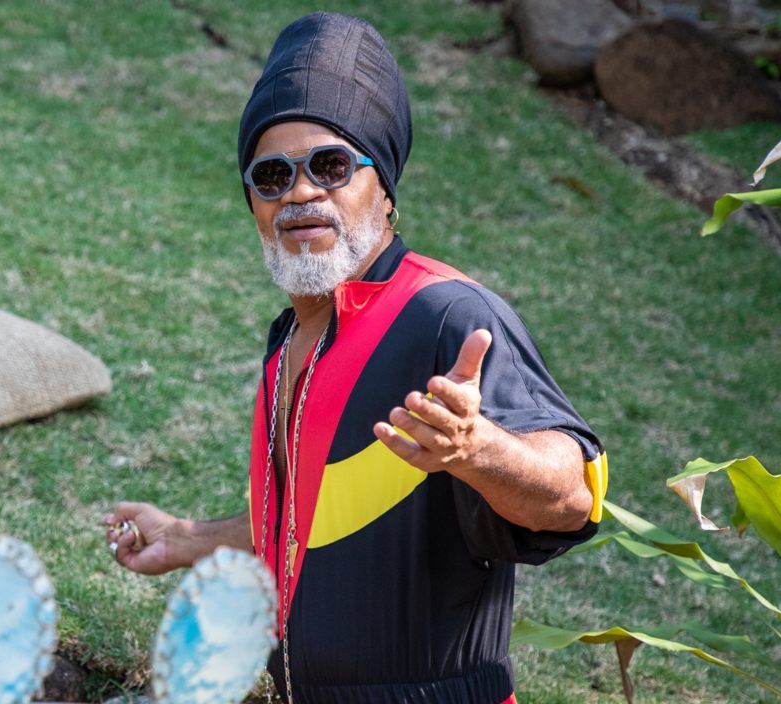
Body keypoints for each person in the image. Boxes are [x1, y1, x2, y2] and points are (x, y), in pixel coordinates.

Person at [105, 12, 607, 704]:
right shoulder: (290, 341)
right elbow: (317, 516)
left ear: (384, 189)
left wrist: (478, 449)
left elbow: (575, 497)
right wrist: (188, 538)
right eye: (272, 175)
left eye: (331, 165)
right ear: (252, 202)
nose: (300, 192)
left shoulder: (446, 315)